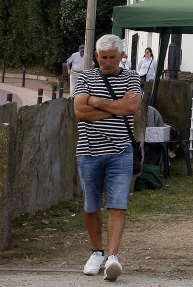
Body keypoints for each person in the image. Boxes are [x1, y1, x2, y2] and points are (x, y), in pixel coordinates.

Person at [71, 34, 142, 281]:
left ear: (121, 55)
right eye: (103, 58)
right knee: (91, 206)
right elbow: (79, 111)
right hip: (88, 152)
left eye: (112, 57)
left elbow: (130, 108)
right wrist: (115, 106)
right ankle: (97, 252)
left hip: (121, 152)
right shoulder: (85, 77)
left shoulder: (132, 77)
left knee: (117, 204)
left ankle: (113, 256)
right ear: (96, 56)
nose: (108, 62)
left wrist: (95, 101)